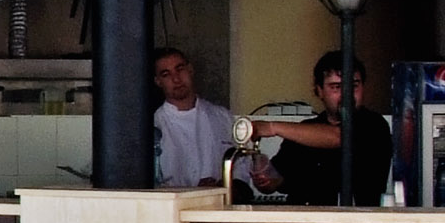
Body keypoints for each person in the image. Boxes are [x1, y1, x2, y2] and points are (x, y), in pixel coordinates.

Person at [252, 50, 392, 205]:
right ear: (319, 91)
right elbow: (275, 183)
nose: (346, 94)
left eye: (354, 86)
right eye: (336, 87)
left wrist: (272, 127)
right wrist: (264, 176)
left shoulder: (374, 125)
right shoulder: (304, 130)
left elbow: (339, 137)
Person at [151, 48, 234, 190]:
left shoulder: (222, 117)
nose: (176, 79)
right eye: (166, 74)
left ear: (190, 69)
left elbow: (242, 165)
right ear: (158, 81)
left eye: (180, 69)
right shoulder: (155, 126)